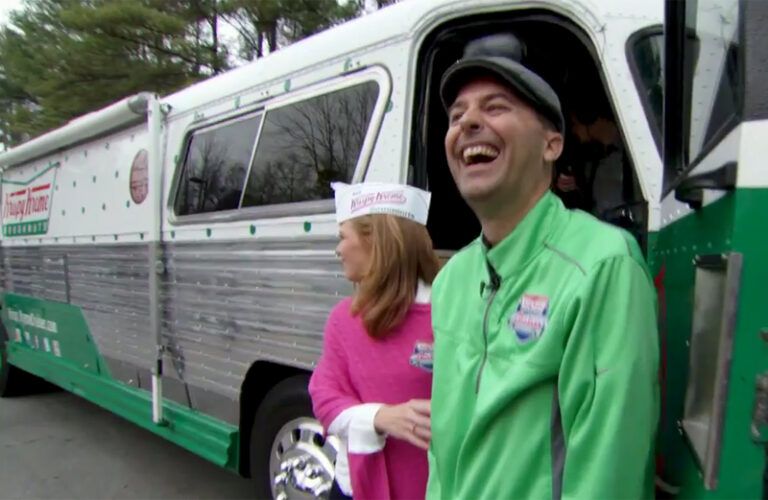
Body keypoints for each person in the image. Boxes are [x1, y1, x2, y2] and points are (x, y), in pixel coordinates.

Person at [427, 33, 659, 499]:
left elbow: (608, 473)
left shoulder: (601, 266)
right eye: (456, 116)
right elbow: (442, 449)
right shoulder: (451, 280)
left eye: (495, 107)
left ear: (552, 145)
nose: (469, 121)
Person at [309, 181, 440, 499]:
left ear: (376, 241)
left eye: (343, 237)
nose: (338, 250)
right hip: (356, 486)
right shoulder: (344, 318)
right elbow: (325, 398)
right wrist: (380, 417)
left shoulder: (449, 315)